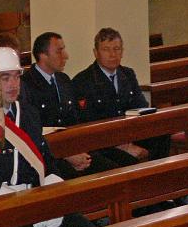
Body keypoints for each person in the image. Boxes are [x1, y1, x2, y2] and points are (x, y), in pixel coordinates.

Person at [0, 47, 94, 227]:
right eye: (5, 78)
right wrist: (2, 192)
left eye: (17, 77)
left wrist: (53, 178)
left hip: (34, 198)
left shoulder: (29, 114)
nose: (13, 84)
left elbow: (43, 156)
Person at [21, 32, 119, 179]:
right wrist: (66, 155)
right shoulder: (27, 84)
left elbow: (74, 120)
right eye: (59, 51)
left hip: (72, 148)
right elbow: (33, 132)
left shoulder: (63, 80)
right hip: (49, 157)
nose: (65, 55)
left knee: (112, 171)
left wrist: (77, 150)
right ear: (43, 56)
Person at [72, 28, 171, 164]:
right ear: (95, 53)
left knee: (162, 135)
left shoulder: (128, 74)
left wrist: (134, 142)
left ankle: (157, 178)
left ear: (122, 51)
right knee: (126, 160)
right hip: (103, 142)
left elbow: (141, 107)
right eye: (106, 49)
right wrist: (123, 146)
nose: (112, 54)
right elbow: (87, 124)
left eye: (117, 49)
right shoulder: (83, 81)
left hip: (130, 133)